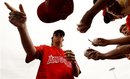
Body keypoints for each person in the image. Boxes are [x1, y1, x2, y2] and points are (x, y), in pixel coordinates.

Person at [4, 2, 81, 79]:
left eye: (61, 35)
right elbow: (31, 51)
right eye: (56, 35)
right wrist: (22, 28)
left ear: (63, 39)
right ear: (52, 38)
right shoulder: (45, 49)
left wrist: (73, 62)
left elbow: (76, 73)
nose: (59, 37)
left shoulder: (68, 55)